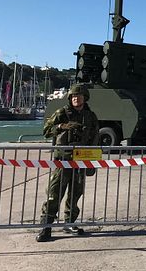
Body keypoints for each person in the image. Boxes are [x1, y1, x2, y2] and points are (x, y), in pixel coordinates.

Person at [36, 83, 99, 242]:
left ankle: (69, 222)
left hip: (80, 160)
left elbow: (94, 139)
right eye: (73, 96)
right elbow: (45, 131)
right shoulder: (61, 113)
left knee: (75, 193)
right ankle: (46, 226)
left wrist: (92, 162)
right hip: (62, 160)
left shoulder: (90, 116)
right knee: (54, 193)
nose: (76, 98)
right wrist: (61, 126)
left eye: (79, 96)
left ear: (85, 98)